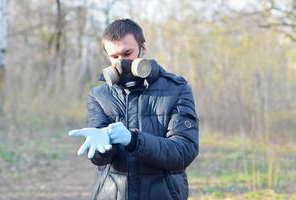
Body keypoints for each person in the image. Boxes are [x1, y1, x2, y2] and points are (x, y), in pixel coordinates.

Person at [68, 18, 199, 200]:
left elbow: (184, 151)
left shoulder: (177, 89)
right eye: (114, 57)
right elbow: (98, 160)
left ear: (143, 49)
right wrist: (103, 146)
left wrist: (134, 140)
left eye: (127, 53)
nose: (121, 62)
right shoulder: (99, 96)